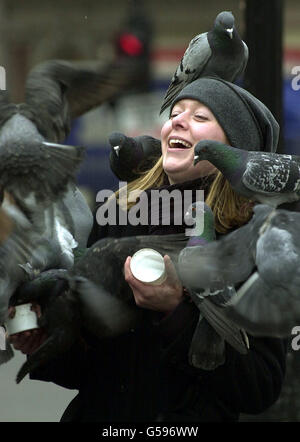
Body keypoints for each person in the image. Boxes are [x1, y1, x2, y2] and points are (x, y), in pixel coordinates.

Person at [10, 77, 287, 422]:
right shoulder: (117, 215)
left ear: (234, 148)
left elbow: (260, 386)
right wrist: (47, 342)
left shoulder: (255, 239)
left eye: (201, 118)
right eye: (175, 113)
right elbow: (90, 368)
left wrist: (176, 314)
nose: (178, 121)